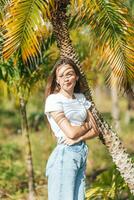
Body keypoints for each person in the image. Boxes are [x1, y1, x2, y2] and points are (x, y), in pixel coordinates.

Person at [44, 57, 99, 200]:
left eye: (69, 74)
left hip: (81, 153)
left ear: (76, 76)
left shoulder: (80, 98)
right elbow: (70, 132)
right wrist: (86, 126)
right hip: (65, 155)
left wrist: (80, 137)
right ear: (57, 80)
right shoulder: (53, 100)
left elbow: (96, 129)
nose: (65, 79)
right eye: (61, 76)